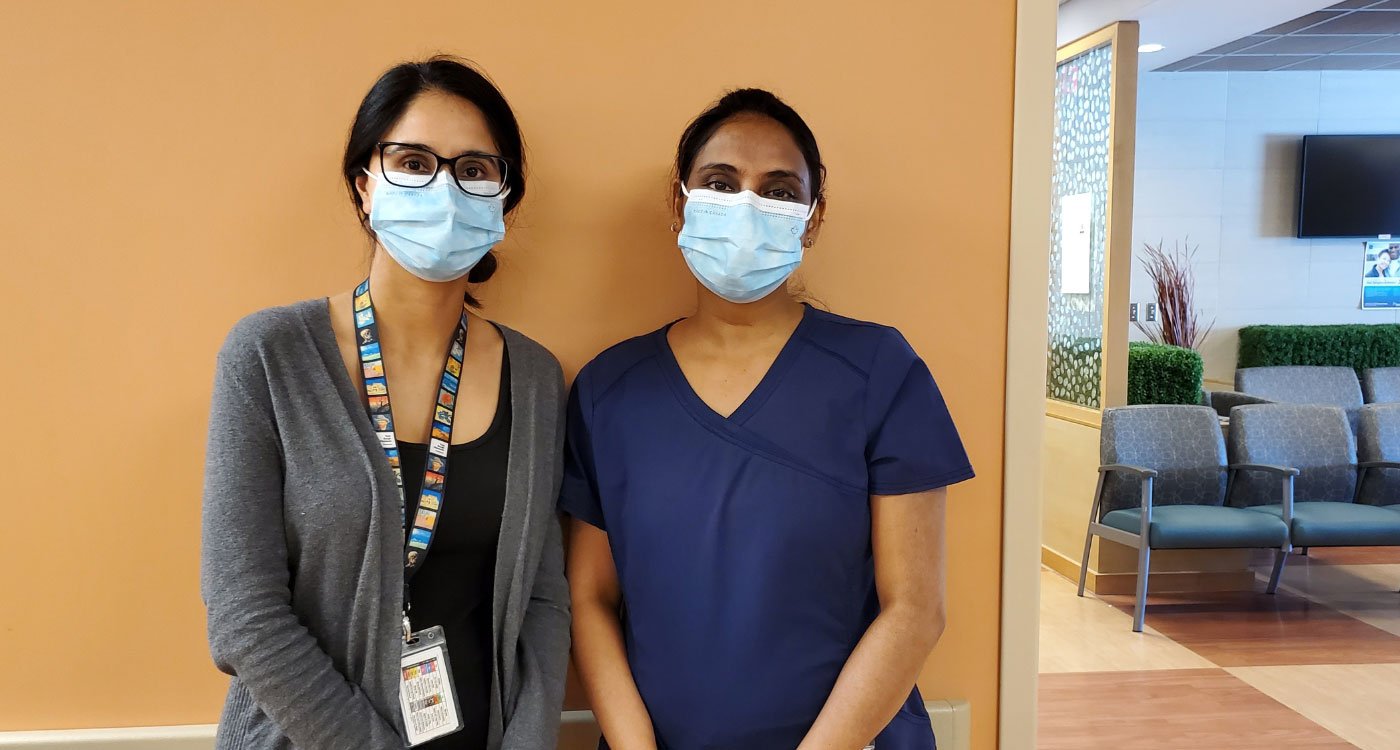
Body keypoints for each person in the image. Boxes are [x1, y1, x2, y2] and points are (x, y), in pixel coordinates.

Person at [561, 89, 974, 750]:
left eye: (779, 191)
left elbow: (916, 610)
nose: (748, 208)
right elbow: (589, 599)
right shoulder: (611, 391)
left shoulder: (878, 372)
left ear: (812, 218)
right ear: (680, 202)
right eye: (720, 183)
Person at [201, 57, 570, 750]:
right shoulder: (268, 355)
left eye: (474, 169)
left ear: (504, 201)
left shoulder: (536, 378)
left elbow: (542, 600)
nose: (444, 187)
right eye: (412, 160)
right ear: (363, 185)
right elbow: (243, 615)